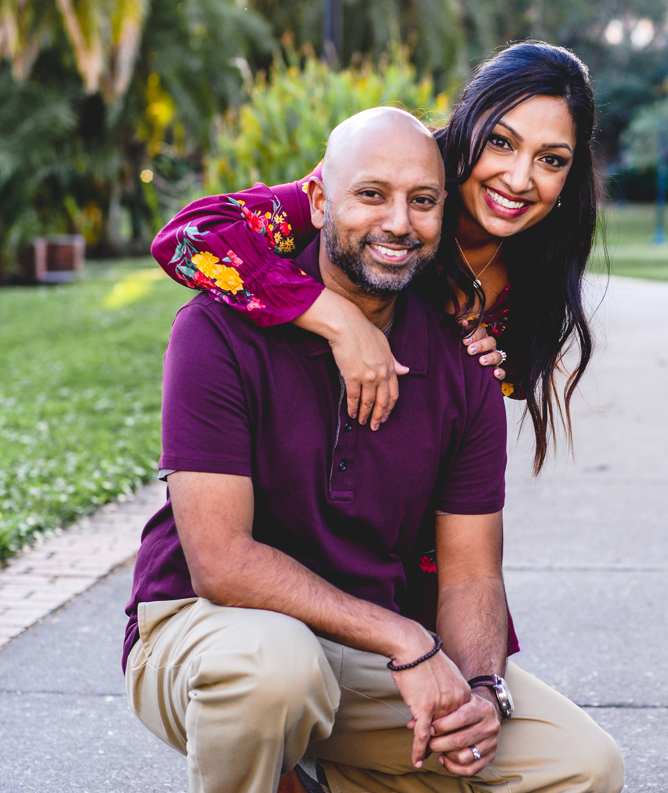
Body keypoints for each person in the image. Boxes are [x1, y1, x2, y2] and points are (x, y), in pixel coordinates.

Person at [126, 107, 623, 793]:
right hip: (206, 631)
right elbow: (221, 562)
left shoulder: (466, 363)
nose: (398, 222)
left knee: (582, 769)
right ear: (317, 199)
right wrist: (406, 640)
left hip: (353, 648)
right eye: (371, 196)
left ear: (443, 216)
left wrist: (476, 691)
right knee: (274, 664)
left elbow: (471, 573)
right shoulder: (218, 329)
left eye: (422, 202)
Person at [151, 40, 599, 628]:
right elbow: (187, 240)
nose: (519, 178)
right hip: (295, 483)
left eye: (551, 159)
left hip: (397, 541)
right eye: (501, 141)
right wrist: (341, 323)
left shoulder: (538, 270)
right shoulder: (387, 173)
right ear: (466, 129)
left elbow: (472, 417)